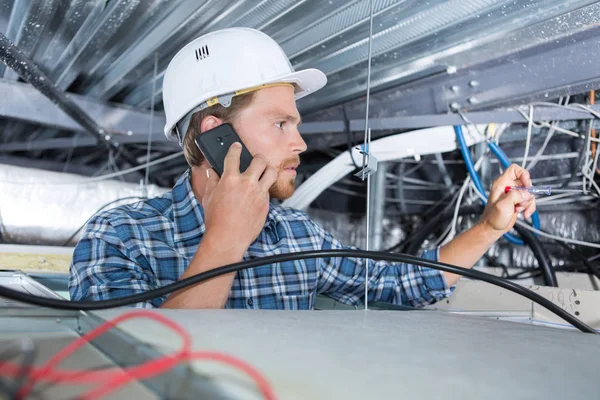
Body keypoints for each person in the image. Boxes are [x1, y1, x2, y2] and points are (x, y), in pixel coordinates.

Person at [69, 28, 536, 309]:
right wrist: (226, 240)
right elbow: (126, 368)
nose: (300, 142)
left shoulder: (298, 237)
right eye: (280, 123)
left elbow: (402, 284)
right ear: (216, 136)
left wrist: (490, 226)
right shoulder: (119, 235)